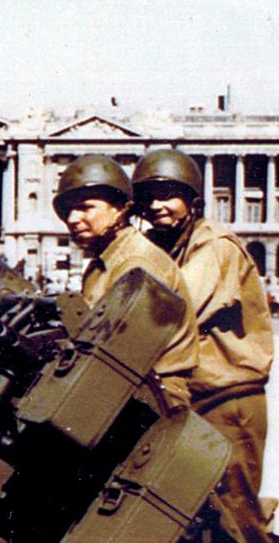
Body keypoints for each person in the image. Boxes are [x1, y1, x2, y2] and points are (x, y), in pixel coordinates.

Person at [134, 147, 279, 543]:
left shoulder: (214, 248)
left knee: (237, 509)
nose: (157, 205)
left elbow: (171, 311)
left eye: (169, 195)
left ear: (192, 200)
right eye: (149, 197)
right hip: (200, 400)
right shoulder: (171, 248)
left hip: (228, 400)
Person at [57, 153, 197, 413]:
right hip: (123, 391)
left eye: (86, 207)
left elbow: (122, 354)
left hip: (151, 400)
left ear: (121, 209)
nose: (73, 219)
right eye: (67, 210)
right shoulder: (105, 261)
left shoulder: (138, 262)